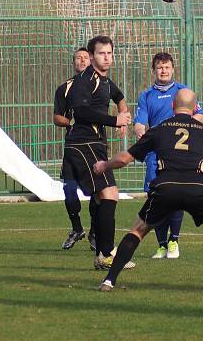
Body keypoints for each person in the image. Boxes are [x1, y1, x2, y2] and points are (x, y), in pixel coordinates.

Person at [93, 89, 203, 291]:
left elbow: (126, 158)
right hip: (197, 187)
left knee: (138, 230)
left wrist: (104, 166)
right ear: (196, 107)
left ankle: (109, 281)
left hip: (165, 187)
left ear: (172, 106)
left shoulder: (160, 128)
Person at [64, 35, 133, 268]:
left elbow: (119, 96)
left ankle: (103, 254)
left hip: (94, 144)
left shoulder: (104, 80)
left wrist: (123, 116)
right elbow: (81, 112)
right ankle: (106, 254)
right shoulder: (84, 80)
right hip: (83, 143)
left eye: (109, 53)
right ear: (92, 56)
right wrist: (116, 120)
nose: (106, 57)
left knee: (104, 197)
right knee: (110, 194)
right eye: (102, 53)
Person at [134, 52, 203, 259]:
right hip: (155, 154)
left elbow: (200, 115)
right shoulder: (146, 95)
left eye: (166, 67)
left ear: (173, 69)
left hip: (179, 154)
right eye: (159, 67)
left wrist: (188, 132)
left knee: (175, 194)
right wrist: (139, 129)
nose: (163, 71)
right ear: (153, 70)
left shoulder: (183, 92)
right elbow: (140, 121)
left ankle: (174, 241)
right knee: (155, 197)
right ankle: (162, 244)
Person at [54, 47, 97, 250]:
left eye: (85, 58)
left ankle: (96, 232)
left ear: (91, 61)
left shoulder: (100, 84)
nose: (82, 61)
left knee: (97, 192)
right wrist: (70, 123)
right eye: (78, 58)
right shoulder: (65, 88)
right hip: (73, 146)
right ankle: (77, 228)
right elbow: (57, 117)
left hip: (95, 146)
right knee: (69, 189)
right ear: (74, 62)